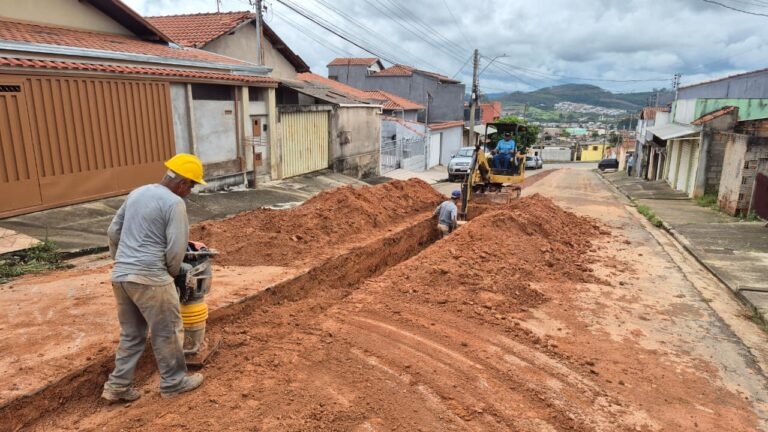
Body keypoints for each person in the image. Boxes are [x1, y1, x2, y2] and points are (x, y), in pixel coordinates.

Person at [102, 153, 207, 402]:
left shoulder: (138, 193)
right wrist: (171, 273)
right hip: (151, 278)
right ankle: (174, 382)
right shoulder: (174, 203)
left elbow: (113, 231)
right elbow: (176, 248)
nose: (190, 190)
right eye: (191, 185)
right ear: (181, 182)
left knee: (132, 335)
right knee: (168, 331)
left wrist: (123, 261)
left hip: (121, 277)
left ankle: (117, 387)